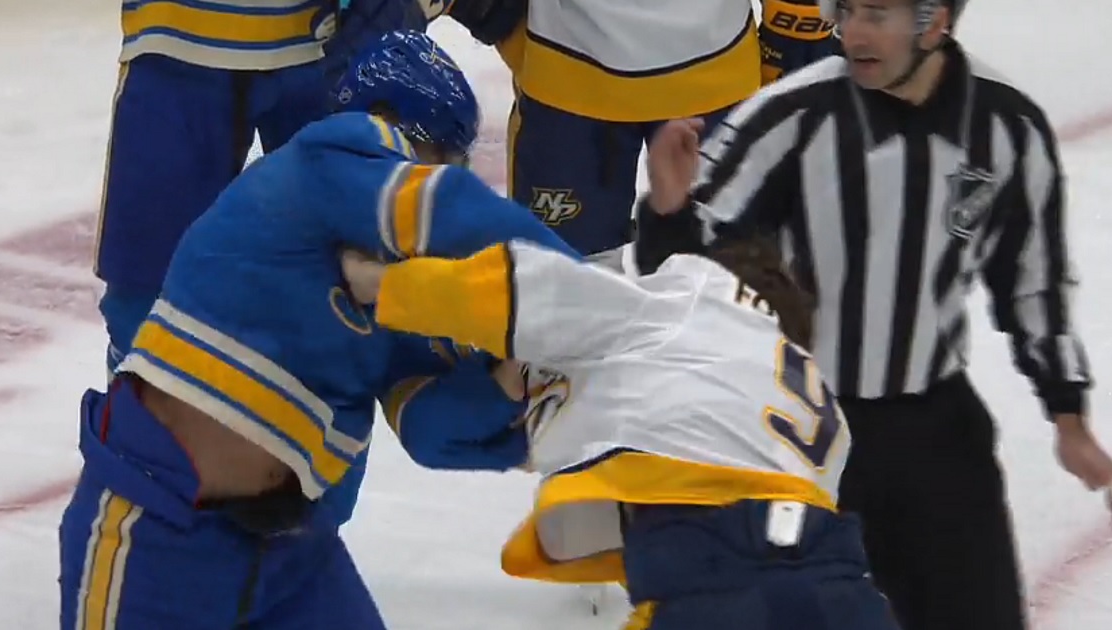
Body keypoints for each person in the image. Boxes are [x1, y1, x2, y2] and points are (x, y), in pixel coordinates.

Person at [631, 1, 1112, 629]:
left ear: (935, 22)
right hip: (807, 435)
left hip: (937, 430)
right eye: (847, 11)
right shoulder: (790, 116)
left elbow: (1034, 279)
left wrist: (1068, 414)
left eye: (876, 14)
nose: (853, 32)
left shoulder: (1007, 127)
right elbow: (686, 277)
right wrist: (668, 215)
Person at [59, 31, 580, 630]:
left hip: (292, 554)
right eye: (440, 156)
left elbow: (430, 428)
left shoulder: (395, 292)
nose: (449, 172)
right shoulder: (325, 158)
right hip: (155, 530)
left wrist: (509, 388)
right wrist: (584, 294)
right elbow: (448, 206)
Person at [338, 226, 900, 629]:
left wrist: (383, 285)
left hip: (712, 566)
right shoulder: (815, 407)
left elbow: (529, 292)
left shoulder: (683, 302)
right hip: (844, 585)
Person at [92, 0, 436, 525]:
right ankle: (148, 522)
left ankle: (304, 539)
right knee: (143, 301)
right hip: (175, 38)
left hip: (324, 46)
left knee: (345, 295)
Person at [431, 0, 838, 257]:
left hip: (592, 74)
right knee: (559, 285)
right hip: (571, 74)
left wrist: (795, 33)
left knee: (724, 283)